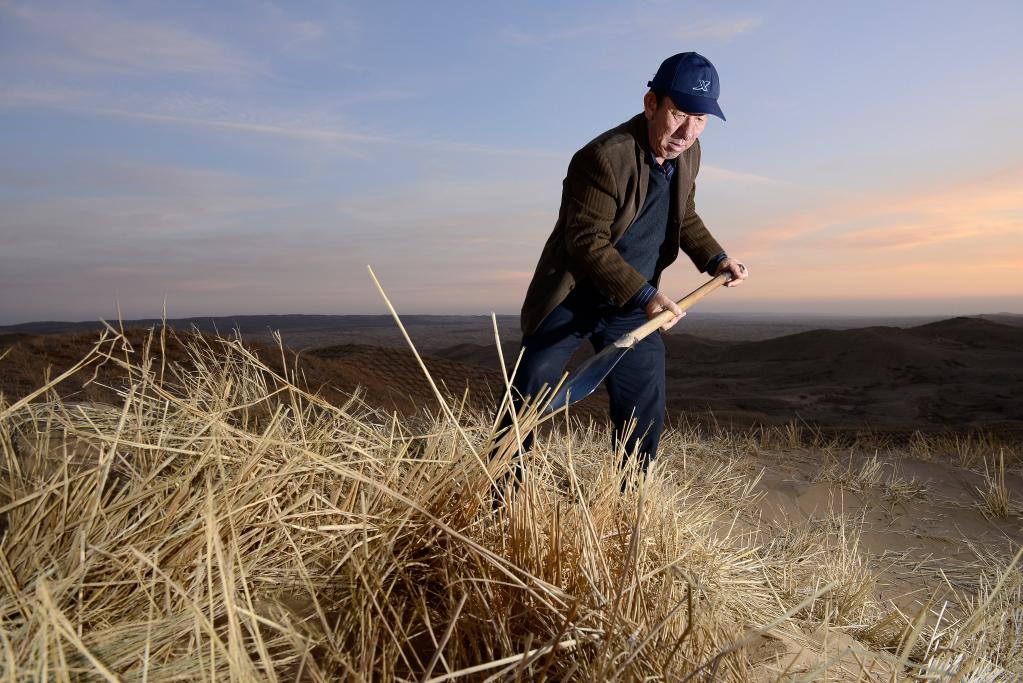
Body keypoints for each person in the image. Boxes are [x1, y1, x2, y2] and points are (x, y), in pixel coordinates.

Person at [504, 52, 749, 475]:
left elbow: (683, 216)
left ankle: (628, 503)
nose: (688, 131)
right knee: (527, 397)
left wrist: (717, 258)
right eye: (679, 113)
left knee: (643, 407)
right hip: (573, 296)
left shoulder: (689, 154)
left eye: (701, 119)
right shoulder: (603, 157)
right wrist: (647, 294)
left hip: (632, 307)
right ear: (651, 104)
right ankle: (500, 497)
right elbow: (586, 241)